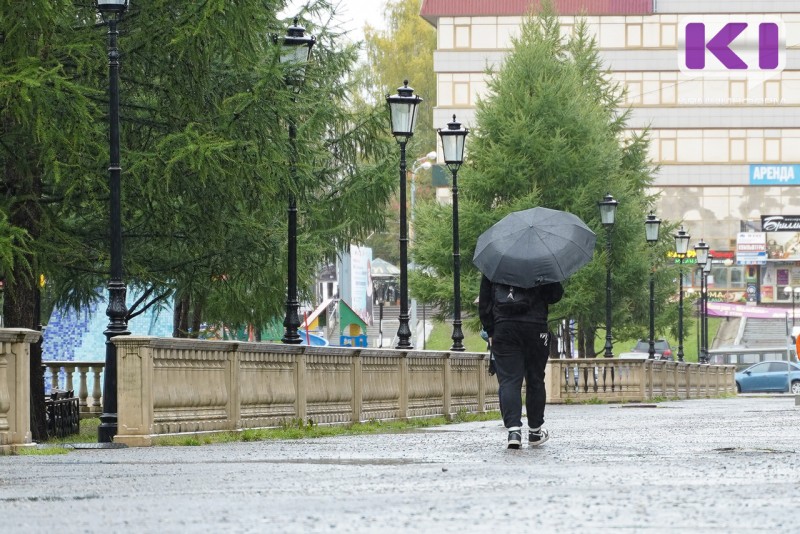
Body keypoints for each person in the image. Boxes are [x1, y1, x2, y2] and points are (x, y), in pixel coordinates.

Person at [478, 274, 563, 449]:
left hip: (504, 328)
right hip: (535, 327)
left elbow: (485, 301)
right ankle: (535, 431)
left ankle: (514, 431)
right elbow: (555, 295)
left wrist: (490, 329)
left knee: (509, 380)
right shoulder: (541, 261)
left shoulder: (496, 263)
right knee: (535, 379)